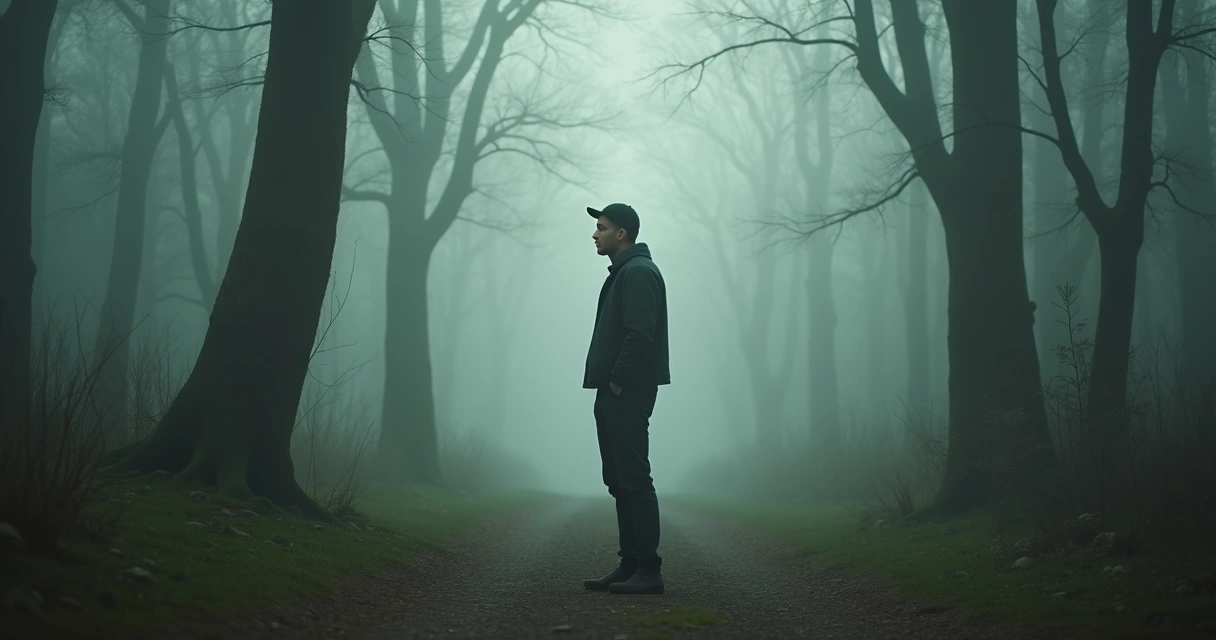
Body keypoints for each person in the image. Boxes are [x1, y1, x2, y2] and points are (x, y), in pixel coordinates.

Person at [580, 202, 670, 595]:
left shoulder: (637, 273)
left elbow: (640, 334)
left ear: (622, 234)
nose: (594, 234)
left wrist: (616, 380)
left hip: (627, 390)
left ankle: (649, 570)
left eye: (601, 227)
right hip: (614, 390)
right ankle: (630, 564)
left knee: (634, 479)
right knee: (618, 479)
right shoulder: (626, 272)